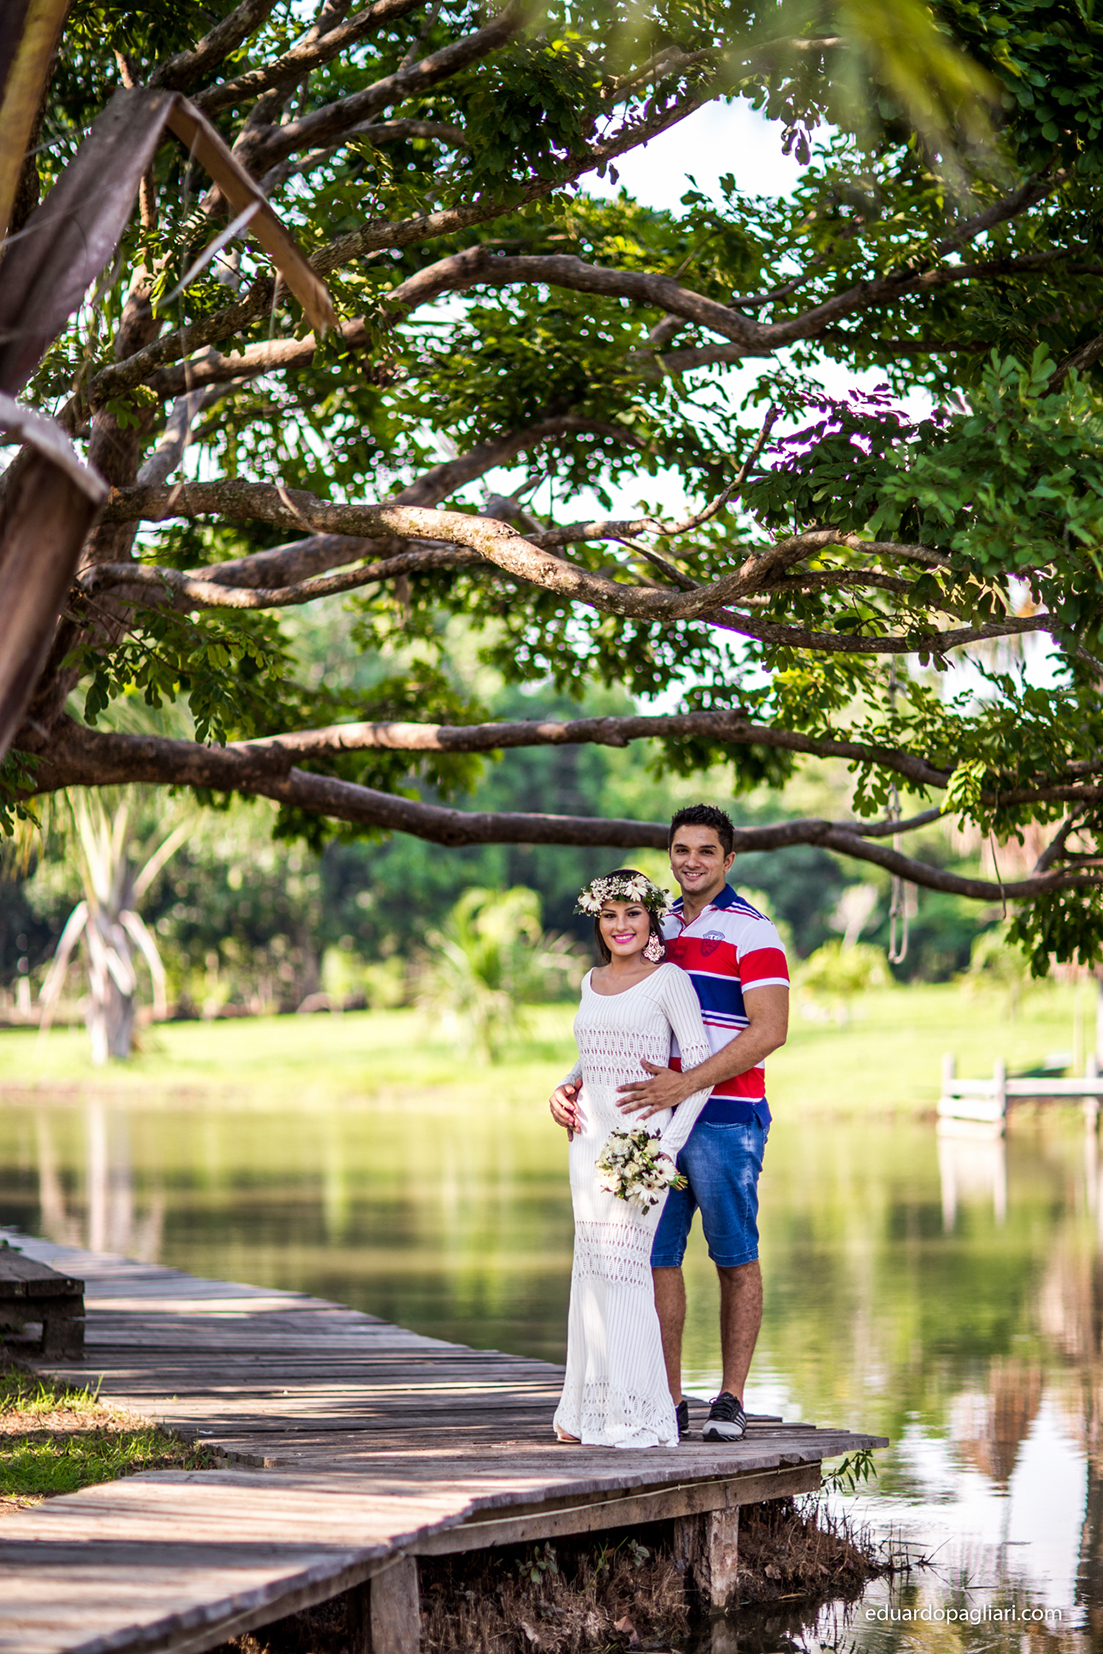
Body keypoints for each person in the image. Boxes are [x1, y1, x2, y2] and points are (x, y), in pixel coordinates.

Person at [550, 805, 789, 1444]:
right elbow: (620, 1013)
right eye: (681, 849)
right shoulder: (654, 923)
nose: (692, 861)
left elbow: (771, 1030)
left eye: (706, 851)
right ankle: (667, 1398)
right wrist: (576, 1078)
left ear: (728, 859)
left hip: (726, 1118)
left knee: (734, 1254)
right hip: (645, 1126)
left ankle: (731, 1400)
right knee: (655, 1258)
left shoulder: (753, 932)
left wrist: (687, 1081)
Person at [550, 868, 713, 1449]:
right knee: (591, 1273)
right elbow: (592, 1052)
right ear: (599, 921)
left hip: (638, 1148)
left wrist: (666, 1148)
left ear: (651, 921)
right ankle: (587, 1412)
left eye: (632, 914)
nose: (621, 926)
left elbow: (699, 1075)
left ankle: (642, 1417)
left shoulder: (668, 981)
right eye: (610, 915)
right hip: (587, 1143)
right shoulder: (591, 980)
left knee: (624, 1272)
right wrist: (562, 1086)